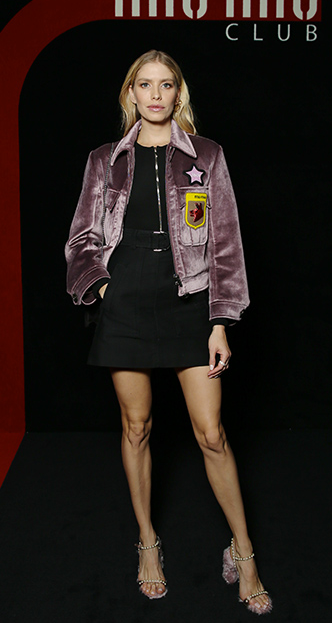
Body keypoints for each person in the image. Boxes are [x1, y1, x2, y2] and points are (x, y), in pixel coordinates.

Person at [65, 50, 272, 615]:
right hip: (126, 303)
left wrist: (220, 322)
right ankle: (148, 542)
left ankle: (244, 551)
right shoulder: (104, 160)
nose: (155, 95)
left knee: (211, 434)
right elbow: (81, 238)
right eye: (145, 84)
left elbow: (226, 244)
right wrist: (101, 290)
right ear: (130, 93)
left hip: (189, 303)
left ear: (178, 93)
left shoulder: (207, 156)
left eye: (166, 85)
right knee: (137, 428)